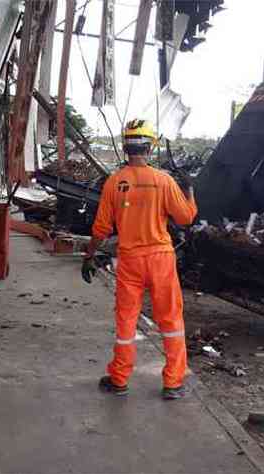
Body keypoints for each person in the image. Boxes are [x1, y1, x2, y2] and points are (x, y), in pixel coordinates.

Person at [81, 119, 197, 400]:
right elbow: (186, 218)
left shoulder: (114, 182)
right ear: (150, 146)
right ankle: (173, 382)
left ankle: (119, 379)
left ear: (125, 147)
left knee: (126, 320)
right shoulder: (164, 181)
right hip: (161, 259)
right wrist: (190, 192)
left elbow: (101, 228)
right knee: (170, 320)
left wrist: (89, 256)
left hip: (130, 260)